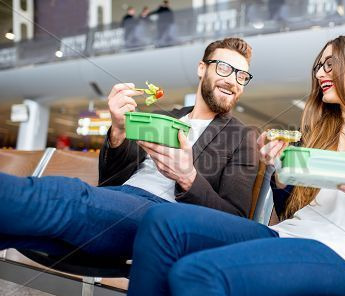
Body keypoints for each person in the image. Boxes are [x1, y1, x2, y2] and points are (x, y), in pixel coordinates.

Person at [126, 35, 345, 296]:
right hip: (289, 234)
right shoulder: (317, 134)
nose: (319, 73)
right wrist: (280, 176)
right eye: (318, 66)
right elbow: (290, 211)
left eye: (329, 64)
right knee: (161, 220)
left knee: (195, 273)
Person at [0, 38, 258, 260]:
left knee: (63, 195)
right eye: (224, 68)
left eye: (242, 75)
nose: (233, 80)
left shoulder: (242, 137)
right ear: (202, 68)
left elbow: (234, 221)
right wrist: (119, 131)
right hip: (116, 197)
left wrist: (187, 177)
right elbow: (111, 177)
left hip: (162, 216)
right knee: (19, 229)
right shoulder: (165, 117)